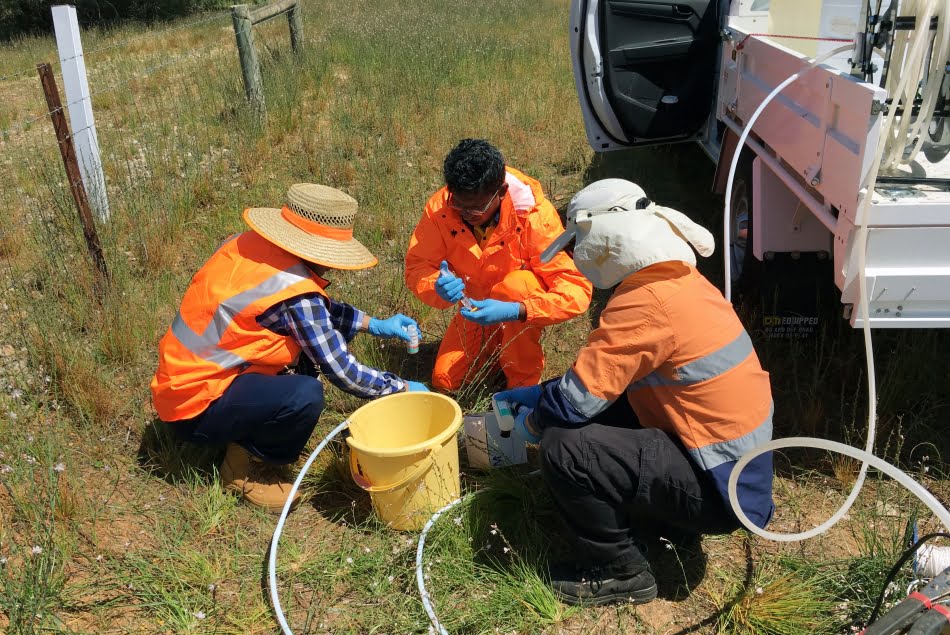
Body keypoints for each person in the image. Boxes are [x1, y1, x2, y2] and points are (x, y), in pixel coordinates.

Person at [495, 179, 775, 606]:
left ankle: (621, 571)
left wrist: (533, 420)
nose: (574, 258)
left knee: (563, 445)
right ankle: (658, 518)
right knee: (592, 416)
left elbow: (574, 404)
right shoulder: (678, 280)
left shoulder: (645, 302)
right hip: (735, 473)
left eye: (576, 248)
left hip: (722, 492)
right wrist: (544, 392)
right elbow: (606, 383)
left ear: (603, 239)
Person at [151, 184, 428, 512]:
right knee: (304, 394)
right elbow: (344, 373)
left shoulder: (247, 245)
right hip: (196, 409)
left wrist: (374, 323)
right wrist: (400, 388)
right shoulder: (296, 296)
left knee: (298, 357)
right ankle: (240, 473)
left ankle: (238, 424)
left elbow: (312, 312)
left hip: (178, 385)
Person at [404, 139, 592, 392]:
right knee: (447, 382)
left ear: (501, 192)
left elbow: (576, 288)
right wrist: (435, 286)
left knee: (517, 287)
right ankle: (495, 349)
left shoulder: (534, 215)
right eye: (459, 204)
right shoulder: (441, 208)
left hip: (517, 307)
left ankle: (522, 379)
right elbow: (418, 265)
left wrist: (518, 310)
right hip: (473, 307)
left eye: (476, 208)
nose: (465, 214)